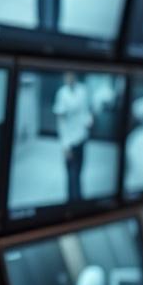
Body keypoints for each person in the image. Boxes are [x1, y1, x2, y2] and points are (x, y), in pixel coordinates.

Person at [53, 72, 92, 203]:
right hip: (69, 140)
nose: (68, 79)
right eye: (66, 77)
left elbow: (86, 110)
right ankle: (71, 202)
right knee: (72, 174)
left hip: (82, 136)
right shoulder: (62, 94)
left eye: (71, 76)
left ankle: (79, 200)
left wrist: (88, 119)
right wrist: (65, 145)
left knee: (79, 171)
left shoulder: (83, 90)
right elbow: (61, 122)